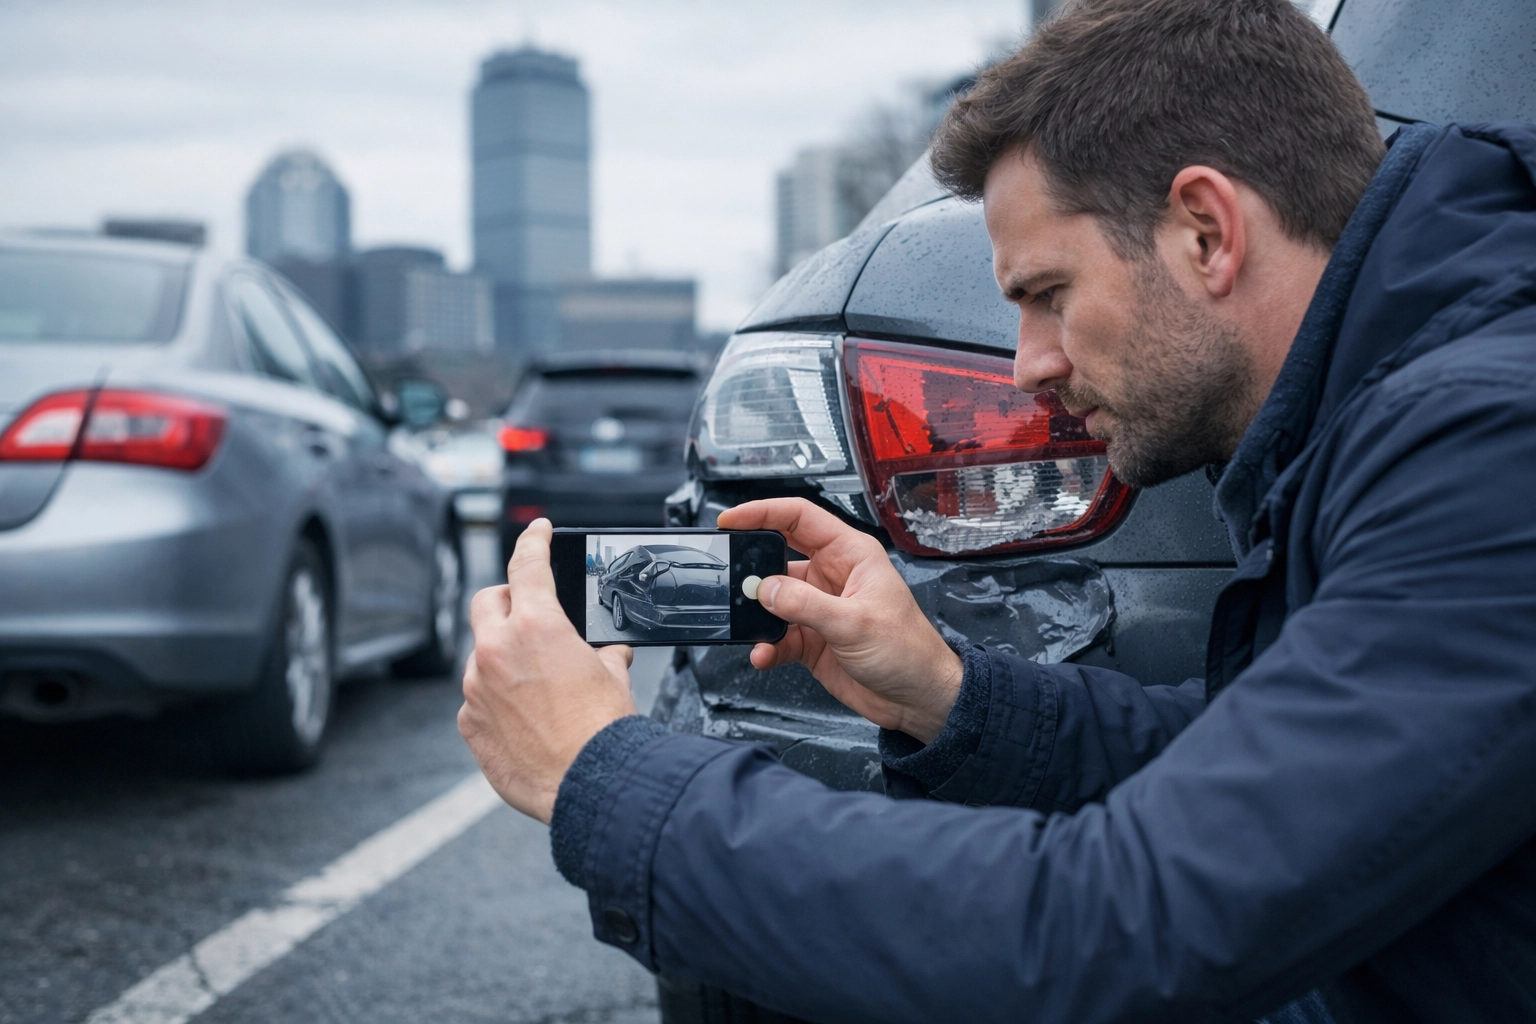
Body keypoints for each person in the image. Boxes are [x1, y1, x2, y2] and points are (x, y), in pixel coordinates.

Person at [457, 0, 1536, 1019]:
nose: (1028, 367)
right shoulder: (1408, 413)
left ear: (1207, 231)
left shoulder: (1489, 449)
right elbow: (1262, 773)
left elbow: (1117, 928)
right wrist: (946, 691)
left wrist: (604, 775)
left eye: (1046, 295)